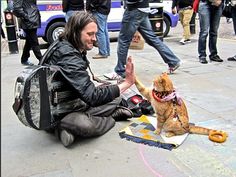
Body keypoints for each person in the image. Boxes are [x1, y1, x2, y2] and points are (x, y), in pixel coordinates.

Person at [43, 11, 135, 147]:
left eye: (95, 34)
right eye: (90, 34)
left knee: (115, 95)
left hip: (70, 101)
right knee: (85, 124)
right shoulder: (68, 56)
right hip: (58, 114)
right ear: (75, 32)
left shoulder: (65, 44)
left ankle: (74, 126)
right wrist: (127, 83)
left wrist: (117, 89)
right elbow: (92, 97)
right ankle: (110, 117)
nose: (95, 39)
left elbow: (87, 91)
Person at [104, 0, 181, 80]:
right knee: (151, 38)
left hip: (134, 10)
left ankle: (119, 71)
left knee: (123, 40)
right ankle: (173, 61)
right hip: (142, 9)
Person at [13, 0, 42, 66]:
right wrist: (27, 17)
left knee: (29, 41)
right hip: (28, 21)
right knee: (34, 41)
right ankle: (41, 59)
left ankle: (24, 59)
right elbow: (16, 9)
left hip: (32, 19)